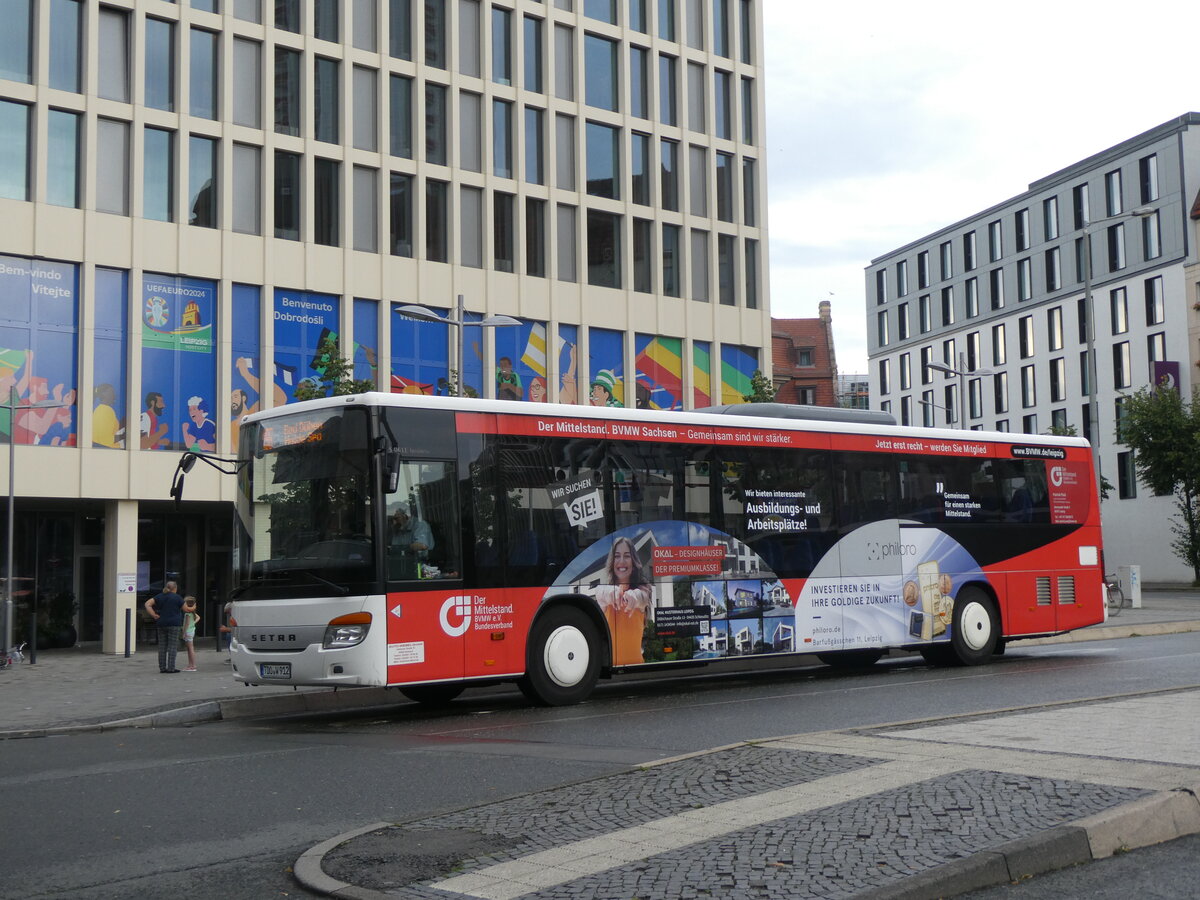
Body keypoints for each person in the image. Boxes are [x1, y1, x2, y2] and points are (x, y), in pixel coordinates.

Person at [594, 536, 652, 665]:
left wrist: (634, 597)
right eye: (617, 556)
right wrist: (607, 593)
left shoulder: (643, 590)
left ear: (633, 561)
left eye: (626, 556)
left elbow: (642, 598)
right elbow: (599, 593)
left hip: (636, 666)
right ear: (612, 561)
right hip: (609, 664)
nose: (621, 561)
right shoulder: (605, 591)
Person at [145, 581, 186, 673]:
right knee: (172, 646)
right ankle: (171, 668)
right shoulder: (177, 598)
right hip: (174, 624)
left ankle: (162, 668)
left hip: (161, 623)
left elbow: (147, 604)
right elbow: (186, 609)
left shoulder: (159, 596)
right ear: (175, 588)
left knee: (162, 646)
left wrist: (154, 615)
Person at [181, 596, 201, 671]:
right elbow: (198, 618)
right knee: (189, 648)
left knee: (190, 648)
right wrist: (193, 623)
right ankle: (190, 665)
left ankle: (192, 665)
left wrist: (183, 632)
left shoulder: (187, 614)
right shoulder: (192, 613)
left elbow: (186, 624)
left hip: (188, 632)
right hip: (191, 630)